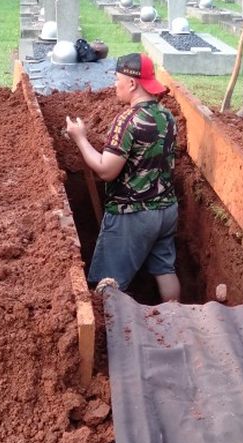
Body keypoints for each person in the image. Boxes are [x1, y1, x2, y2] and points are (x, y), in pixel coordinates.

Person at [65, 53, 181, 302]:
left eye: (117, 78)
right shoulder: (167, 117)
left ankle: (115, 334)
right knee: (165, 270)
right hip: (166, 210)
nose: (114, 84)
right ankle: (174, 323)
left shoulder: (127, 120)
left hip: (133, 215)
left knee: (109, 283)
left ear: (132, 83)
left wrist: (80, 138)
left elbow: (106, 170)